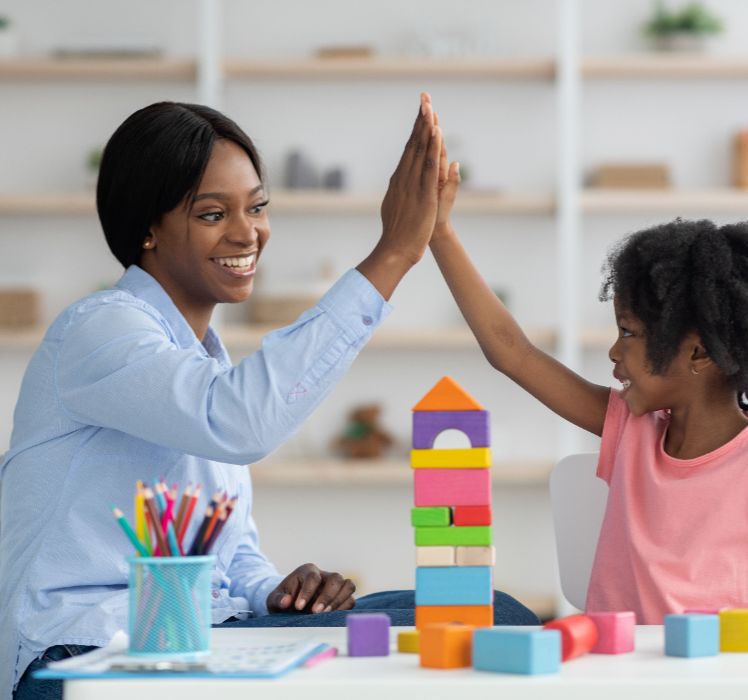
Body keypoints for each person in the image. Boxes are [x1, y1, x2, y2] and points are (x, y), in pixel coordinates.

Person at [1, 95, 538, 700]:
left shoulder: (203, 358)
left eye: (257, 207)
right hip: (86, 652)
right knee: (485, 631)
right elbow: (237, 422)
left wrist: (280, 590)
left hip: (206, 631)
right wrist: (392, 254)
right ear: (147, 227)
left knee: (493, 614)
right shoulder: (100, 329)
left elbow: (231, 554)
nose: (247, 231)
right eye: (211, 214)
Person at [428, 144, 748, 629]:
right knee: (482, 610)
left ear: (698, 353)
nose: (613, 351)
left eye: (628, 333)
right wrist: (439, 233)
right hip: (615, 671)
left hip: (712, 681)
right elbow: (512, 352)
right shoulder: (632, 429)